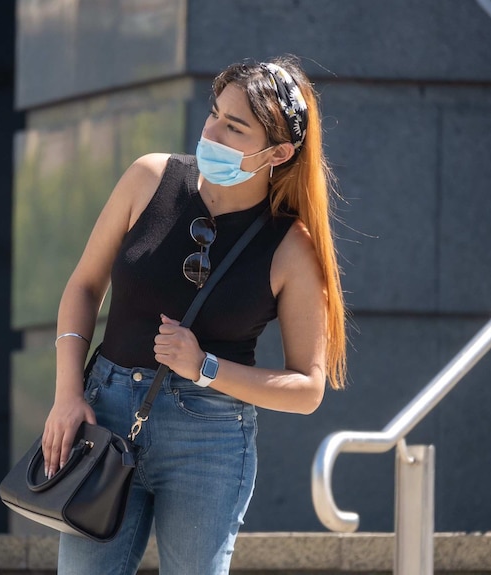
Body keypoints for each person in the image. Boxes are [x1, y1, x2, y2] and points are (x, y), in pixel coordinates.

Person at [42, 55, 347, 575]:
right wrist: (66, 395)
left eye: (235, 126)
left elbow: (308, 388)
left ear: (280, 152)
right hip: (105, 415)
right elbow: (83, 286)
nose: (213, 131)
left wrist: (206, 367)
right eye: (214, 113)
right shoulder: (149, 178)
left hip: (209, 439)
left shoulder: (292, 249)